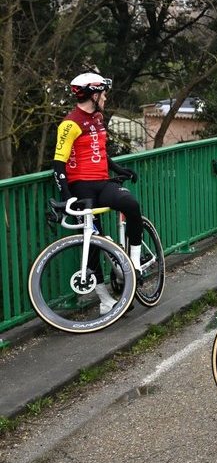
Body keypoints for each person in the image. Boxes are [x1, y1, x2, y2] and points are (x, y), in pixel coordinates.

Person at [52, 72, 143, 314]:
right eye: (103, 92)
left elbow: (99, 150)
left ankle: (134, 264)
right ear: (93, 94)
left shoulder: (98, 117)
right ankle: (104, 299)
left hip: (103, 183)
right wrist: (66, 195)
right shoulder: (69, 124)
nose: (106, 96)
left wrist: (117, 168)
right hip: (81, 186)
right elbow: (58, 164)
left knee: (131, 205)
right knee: (92, 241)